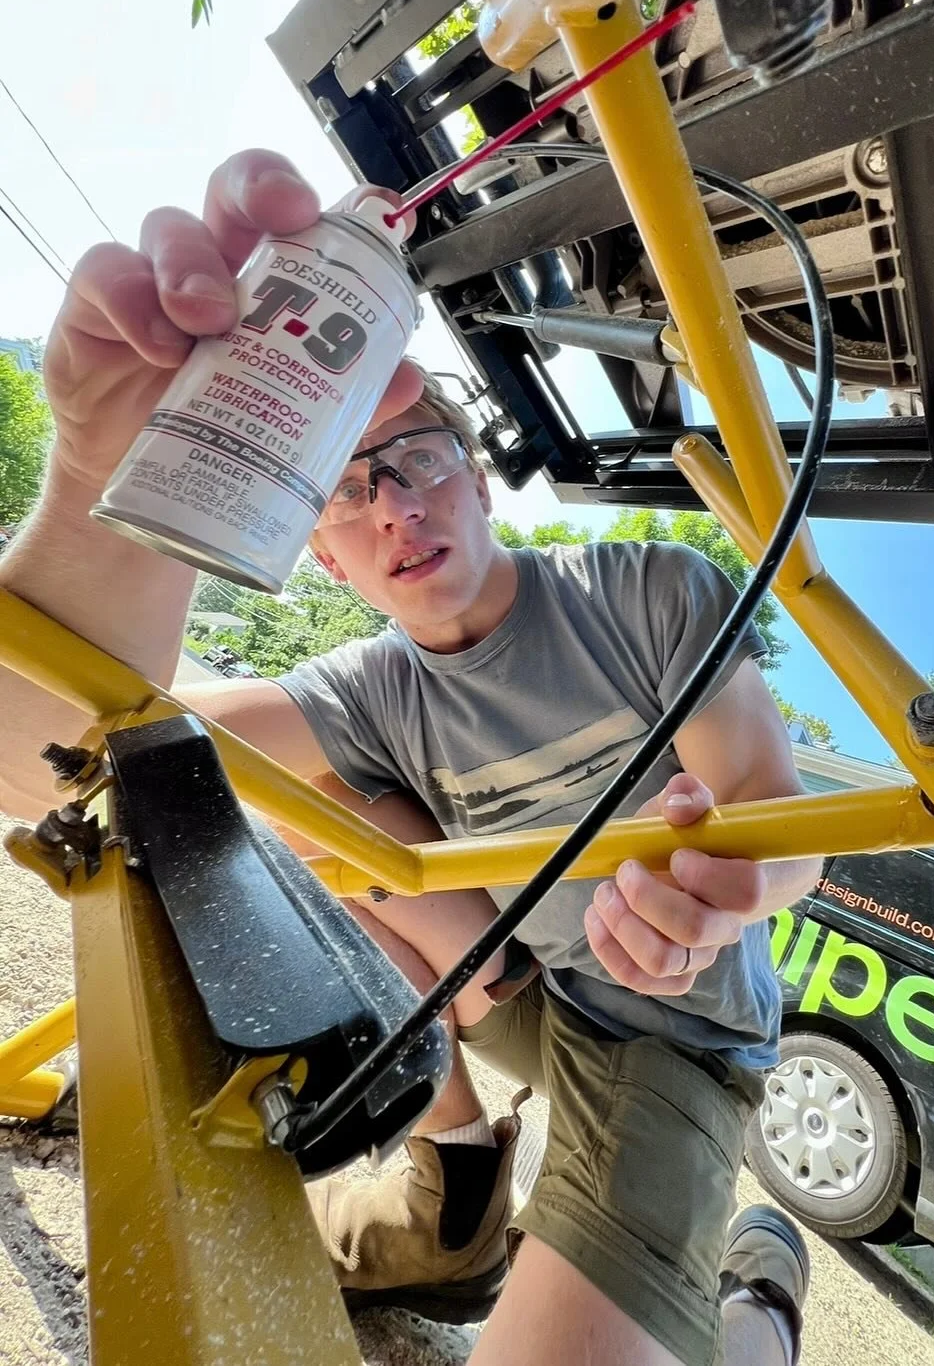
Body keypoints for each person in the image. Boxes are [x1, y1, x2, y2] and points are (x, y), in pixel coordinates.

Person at [0, 149, 821, 1366]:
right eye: (344, 493)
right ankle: (458, 1160)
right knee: (319, 803)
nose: (392, 509)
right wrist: (96, 494)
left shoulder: (644, 590)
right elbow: (60, 754)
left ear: (479, 478)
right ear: (320, 555)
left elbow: (766, 810)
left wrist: (729, 891)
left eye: (417, 460)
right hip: (524, 994)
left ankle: (760, 1301)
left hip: (672, 1023)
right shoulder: (371, 686)